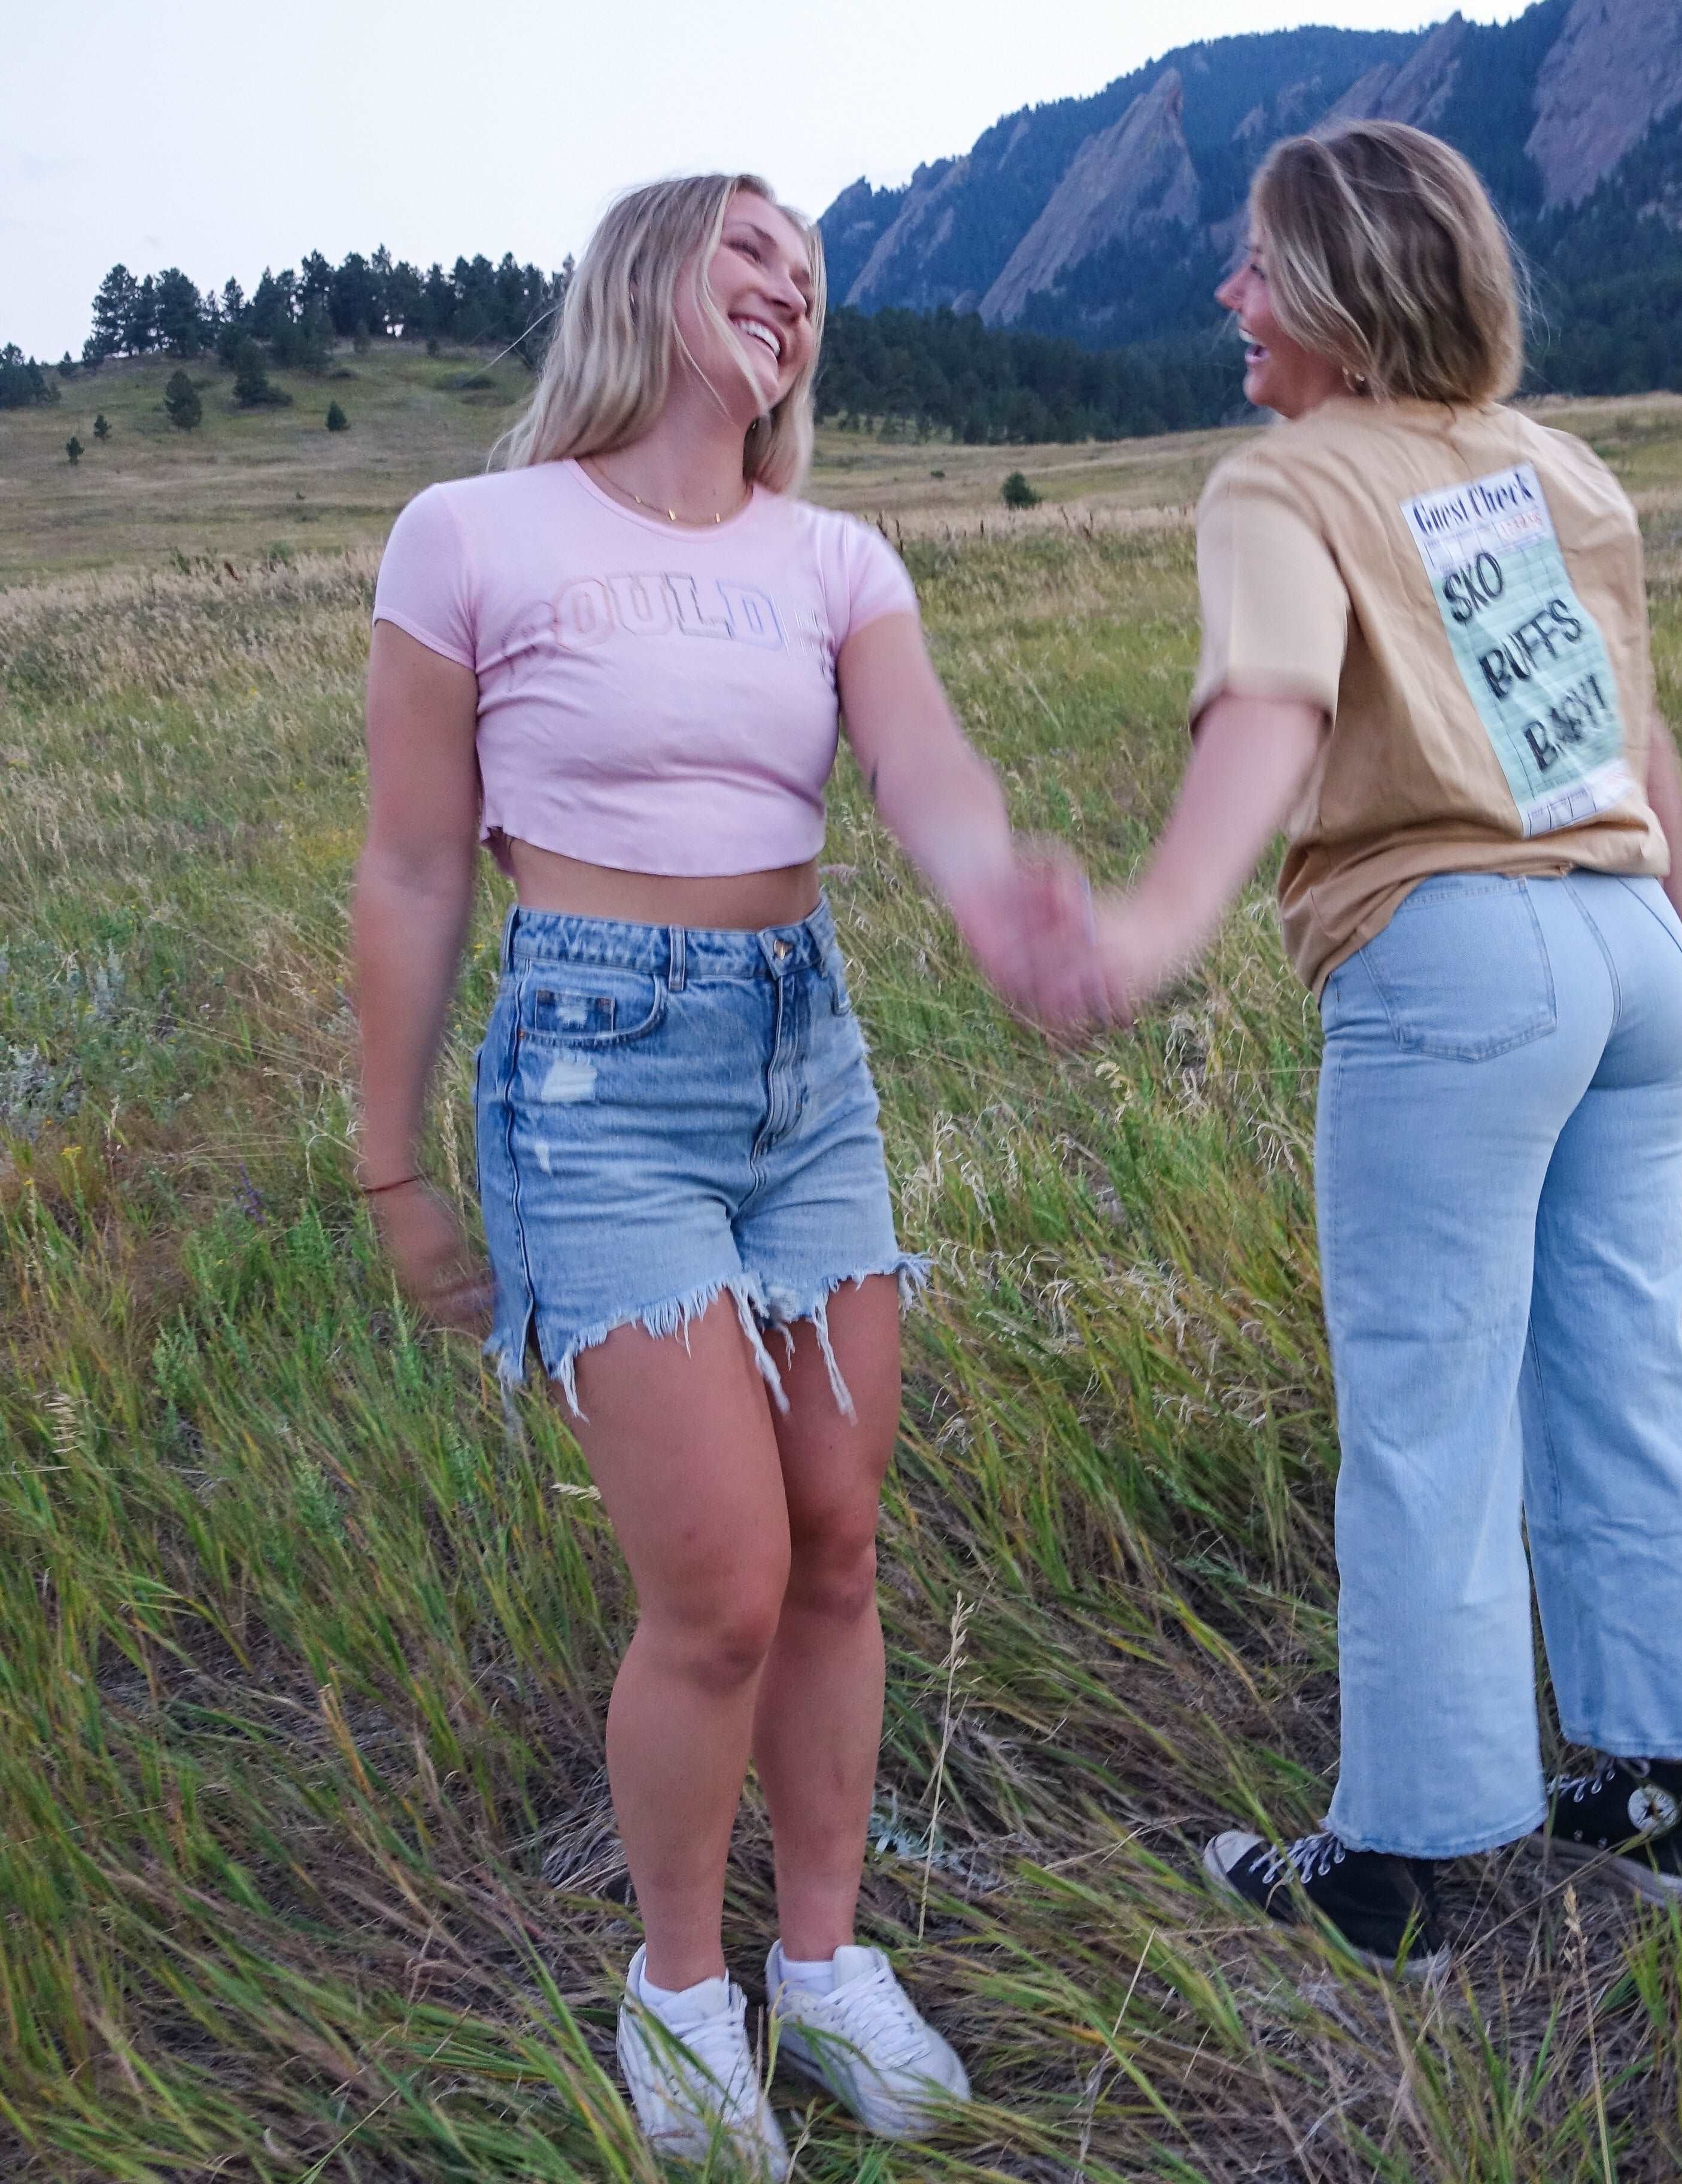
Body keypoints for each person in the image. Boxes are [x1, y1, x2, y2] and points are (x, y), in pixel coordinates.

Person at [353, 172, 1085, 2165]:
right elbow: (418, 862)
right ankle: (681, 1993)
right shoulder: (472, 535)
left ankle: (825, 1962)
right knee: (723, 1592)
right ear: (644, 274)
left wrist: (1002, 899)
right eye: (751, 250)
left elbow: (923, 769)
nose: (791, 290)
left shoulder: (833, 555)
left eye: (815, 277)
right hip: (592, 1081)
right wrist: (391, 1166)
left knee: (841, 1542)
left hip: (803, 1062)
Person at [1065, 122, 1682, 1969]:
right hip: (1627, 952)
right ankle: (1661, 1798)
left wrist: (1147, 927)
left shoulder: (1285, 482)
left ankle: (1398, 1872)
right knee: (1629, 1362)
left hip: (1459, 963)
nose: (1231, 296)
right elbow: (1622, 726)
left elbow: (1276, 705)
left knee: (1425, 1413)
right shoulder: (1548, 468)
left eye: (1261, 266)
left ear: (1352, 296)